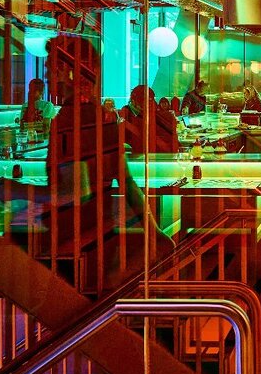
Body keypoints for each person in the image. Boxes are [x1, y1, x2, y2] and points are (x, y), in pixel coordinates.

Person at [45, 34, 172, 285]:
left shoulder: (70, 120)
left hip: (77, 240)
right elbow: (128, 185)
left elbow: (73, 192)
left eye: (51, 68)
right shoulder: (102, 118)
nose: (47, 75)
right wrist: (155, 233)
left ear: (68, 72)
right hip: (96, 235)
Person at [120, 85, 178, 155]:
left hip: (157, 155)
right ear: (133, 101)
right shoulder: (127, 116)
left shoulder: (153, 114)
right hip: (142, 157)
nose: (148, 104)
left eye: (150, 100)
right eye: (144, 101)